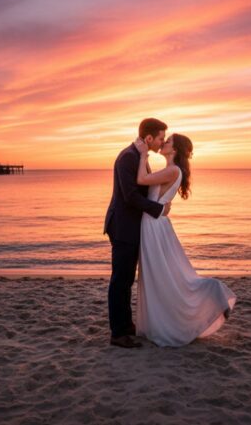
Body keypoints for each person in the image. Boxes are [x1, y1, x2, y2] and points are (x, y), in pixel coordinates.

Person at [134, 133, 236, 347]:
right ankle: (161, 321)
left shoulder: (173, 170)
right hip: (155, 223)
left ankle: (214, 294)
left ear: (175, 150)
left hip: (154, 226)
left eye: (168, 141)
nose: (163, 143)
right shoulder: (171, 170)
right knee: (162, 275)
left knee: (163, 276)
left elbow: (141, 180)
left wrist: (143, 155)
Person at [103, 118, 171, 348]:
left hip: (131, 226)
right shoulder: (128, 158)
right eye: (160, 138)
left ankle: (126, 324)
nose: (162, 142)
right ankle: (118, 333)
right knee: (120, 280)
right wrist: (159, 209)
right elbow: (130, 196)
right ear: (149, 138)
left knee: (127, 278)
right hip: (123, 227)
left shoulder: (138, 156)